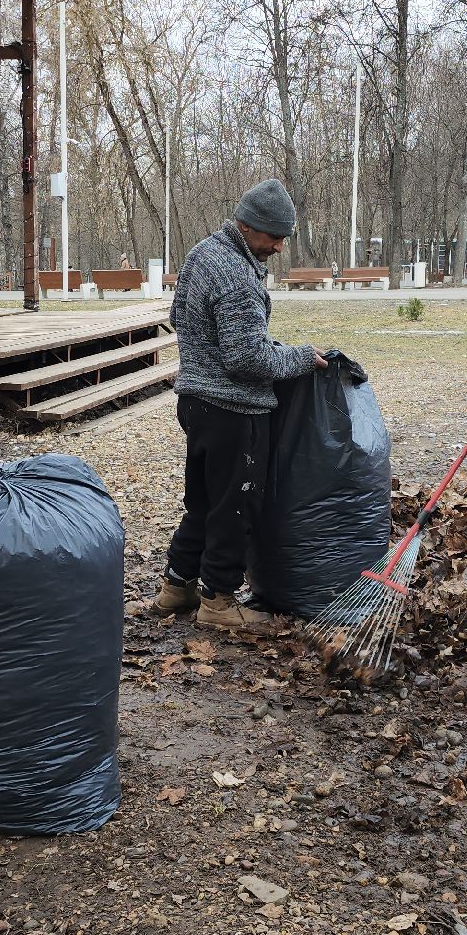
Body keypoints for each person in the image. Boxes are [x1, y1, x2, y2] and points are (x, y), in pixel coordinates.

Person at [157, 179, 329, 634]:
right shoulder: (237, 276)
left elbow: (181, 318)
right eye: (274, 235)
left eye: (284, 236)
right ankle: (217, 600)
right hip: (234, 411)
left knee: (203, 501)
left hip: (196, 403)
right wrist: (301, 356)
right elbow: (247, 359)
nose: (279, 245)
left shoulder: (201, 254)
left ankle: (177, 586)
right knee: (236, 507)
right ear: (249, 225)